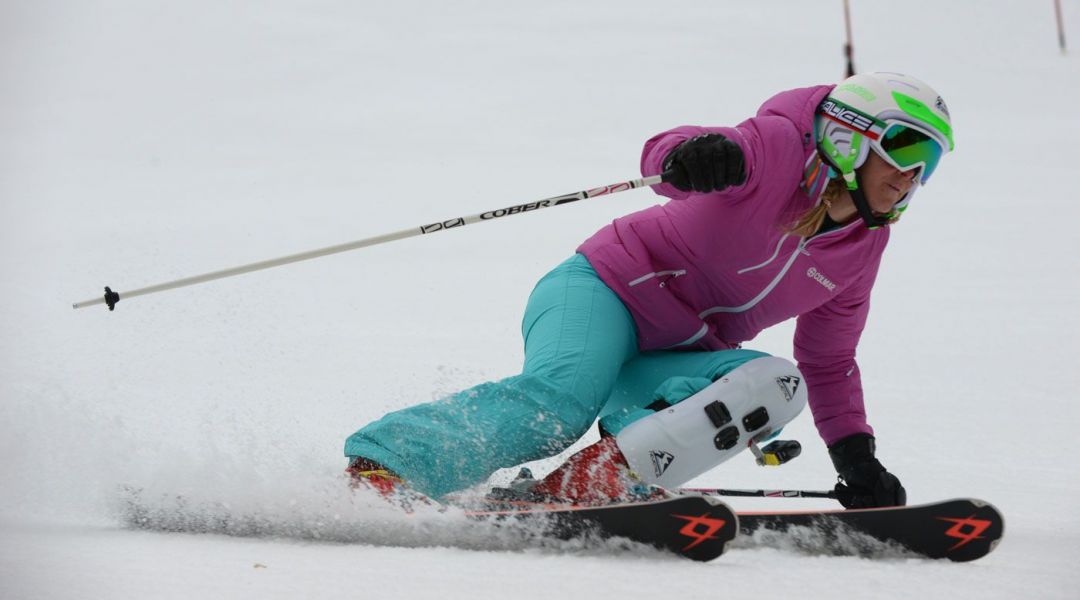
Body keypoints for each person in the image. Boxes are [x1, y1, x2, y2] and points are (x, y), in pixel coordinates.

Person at [344, 72, 954, 509]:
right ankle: (387, 463)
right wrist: (695, 155)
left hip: (677, 356)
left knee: (776, 383)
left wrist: (856, 458)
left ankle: (587, 484)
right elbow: (666, 151)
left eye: (929, 160)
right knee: (559, 405)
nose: (912, 175)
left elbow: (829, 359)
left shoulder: (859, 252)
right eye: (905, 147)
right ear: (851, 136)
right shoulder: (770, 151)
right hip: (603, 291)